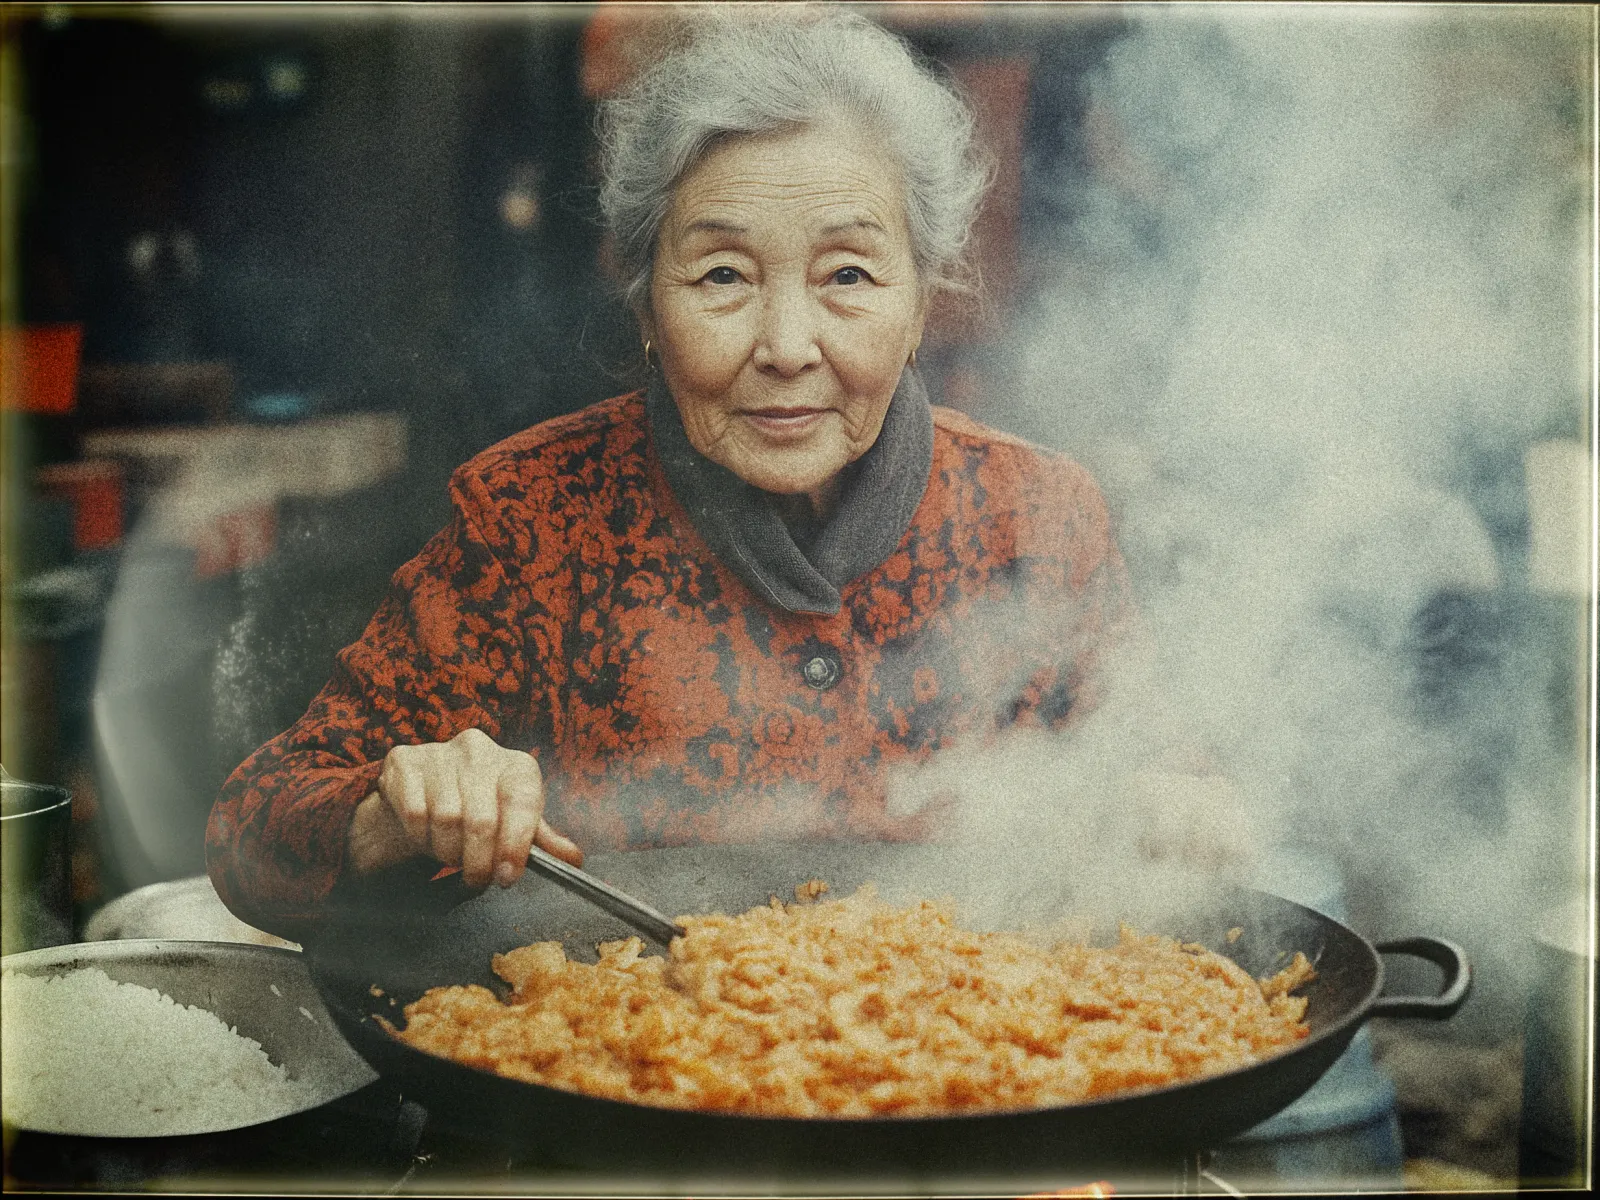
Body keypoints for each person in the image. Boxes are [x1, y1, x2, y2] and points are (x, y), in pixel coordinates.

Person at [206, 9, 1135, 939]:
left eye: (847, 275)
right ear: (647, 301)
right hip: (624, 1063)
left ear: (923, 301)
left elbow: (1165, 792)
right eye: (722, 276)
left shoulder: (1038, 519)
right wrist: (390, 814)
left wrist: (1171, 809)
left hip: (985, 1066)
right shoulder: (530, 520)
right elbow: (256, 828)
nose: (785, 346)